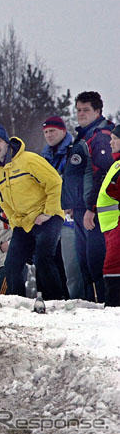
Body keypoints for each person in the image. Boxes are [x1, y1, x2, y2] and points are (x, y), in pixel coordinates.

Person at [0, 124, 67, 300]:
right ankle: (18, 302)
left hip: (48, 217)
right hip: (24, 222)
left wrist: (48, 212)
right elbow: (4, 204)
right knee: (11, 264)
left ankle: (56, 302)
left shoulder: (29, 159)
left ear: (7, 142)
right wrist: (17, 223)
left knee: (43, 258)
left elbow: (55, 182)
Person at [64, 91, 114, 302]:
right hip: (80, 208)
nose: (81, 114)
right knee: (85, 262)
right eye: (78, 110)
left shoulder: (101, 136)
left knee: (97, 261)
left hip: (94, 211)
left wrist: (92, 208)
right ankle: (91, 303)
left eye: (86, 110)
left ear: (98, 111)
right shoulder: (84, 135)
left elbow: (102, 174)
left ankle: (106, 302)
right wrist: (69, 203)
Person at [40, 115, 79, 299]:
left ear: (63, 131)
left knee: (71, 263)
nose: (49, 135)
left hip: (69, 212)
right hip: (51, 214)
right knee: (53, 258)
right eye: (46, 132)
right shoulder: (44, 157)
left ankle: (77, 299)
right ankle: (57, 298)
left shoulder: (73, 150)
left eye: (52, 131)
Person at [96, 125, 120, 306]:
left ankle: (113, 308)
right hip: (111, 227)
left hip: (117, 226)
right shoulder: (116, 164)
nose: (110, 142)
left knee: (113, 268)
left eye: (114, 138)